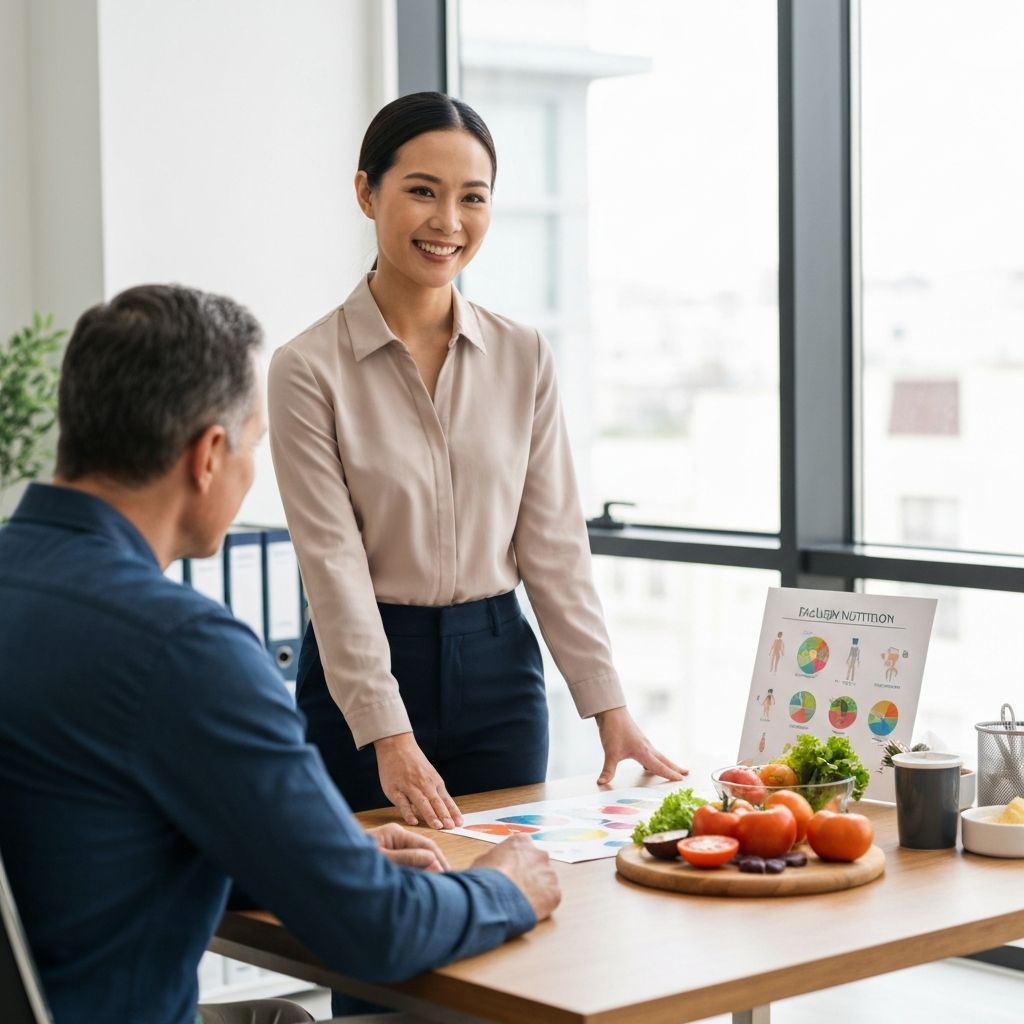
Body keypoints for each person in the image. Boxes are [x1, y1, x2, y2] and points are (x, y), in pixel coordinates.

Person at [0, 285, 559, 1024]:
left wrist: (321, 857)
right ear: (209, 455)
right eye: (255, 442)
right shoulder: (184, 651)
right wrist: (505, 887)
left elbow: (71, 850)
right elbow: (374, 931)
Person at [268, 92, 686, 835]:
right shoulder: (307, 369)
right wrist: (388, 734)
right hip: (362, 679)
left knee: (511, 884)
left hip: (501, 677)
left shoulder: (523, 355)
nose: (448, 222)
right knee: (376, 892)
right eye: (422, 191)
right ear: (367, 193)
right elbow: (332, 568)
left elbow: (554, 546)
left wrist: (610, 708)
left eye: (472, 198)